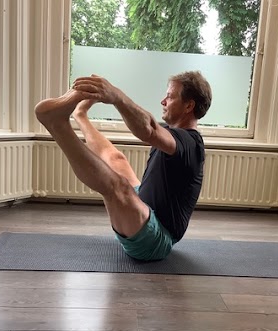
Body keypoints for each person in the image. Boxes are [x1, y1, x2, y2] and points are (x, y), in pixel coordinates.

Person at [34, 71, 212, 261]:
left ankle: (58, 125)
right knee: (116, 159)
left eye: (169, 96)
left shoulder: (191, 144)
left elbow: (149, 129)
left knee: (119, 186)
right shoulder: (173, 134)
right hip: (145, 206)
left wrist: (116, 96)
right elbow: (148, 124)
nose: (163, 101)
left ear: (189, 106)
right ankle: (80, 115)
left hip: (156, 239)